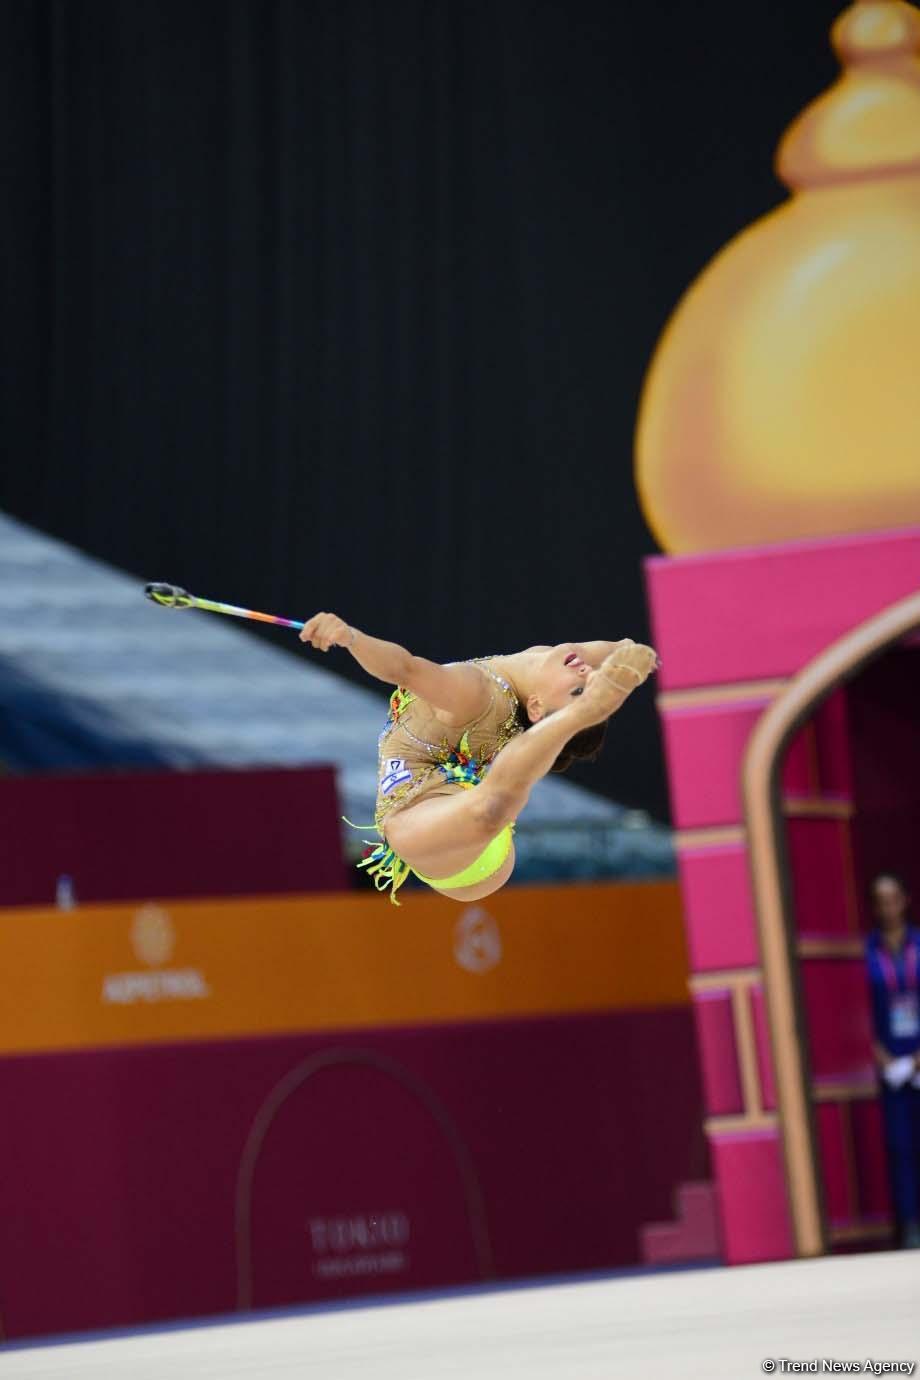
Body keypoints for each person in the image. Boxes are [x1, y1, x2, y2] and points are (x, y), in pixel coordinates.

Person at [299, 614, 658, 903]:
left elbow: (404, 669)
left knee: (481, 811)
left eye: (581, 690)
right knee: (487, 807)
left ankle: (577, 718)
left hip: (437, 825)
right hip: (475, 825)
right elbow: (620, 652)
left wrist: (350, 638)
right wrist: (638, 651)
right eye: (591, 679)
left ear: (536, 707)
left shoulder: (475, 693)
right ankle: (577, 717)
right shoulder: (557, 660)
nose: (587, 672)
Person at [866, 871, 920, 1249]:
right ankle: (910, 1225)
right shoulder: (867, 951)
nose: (889, 908)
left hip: (919, 1056)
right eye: (881, 901)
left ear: (904, 900)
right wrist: (881, 1056)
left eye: (894, 899)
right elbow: (854, 1011)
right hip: (890, 1066)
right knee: (900, 1147)